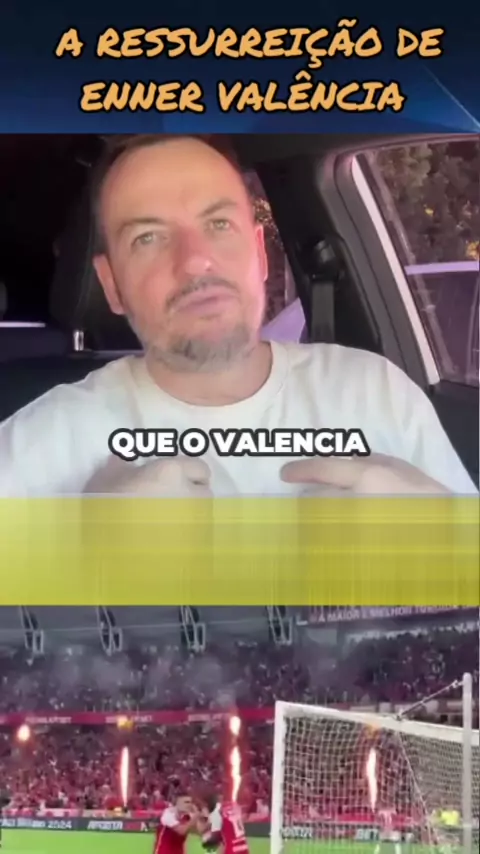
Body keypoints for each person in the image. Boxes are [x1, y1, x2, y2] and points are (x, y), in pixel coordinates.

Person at [0, 134, 476, 497]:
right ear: (111, 286)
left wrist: (438, 540)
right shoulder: (46, 439)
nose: (194, 260)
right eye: (147, 237)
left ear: (260, 254)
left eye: (218, 224)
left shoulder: (377, 393)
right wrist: (85, 551)